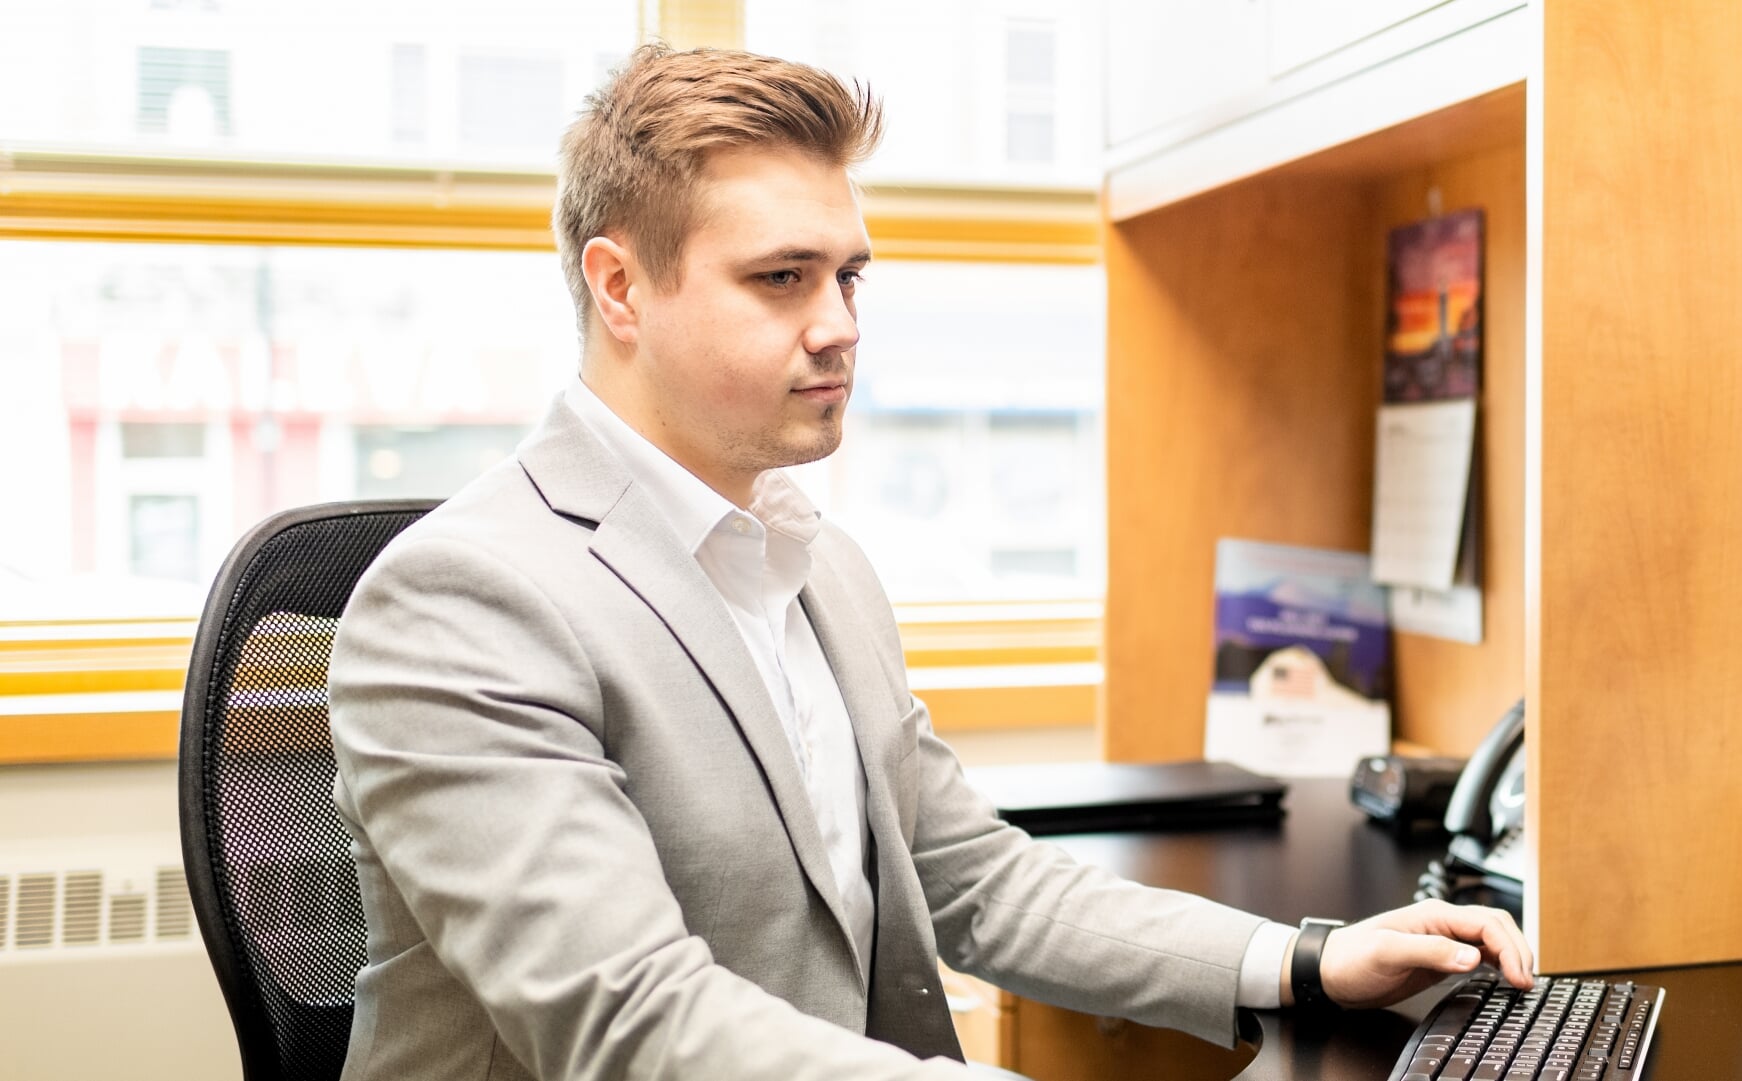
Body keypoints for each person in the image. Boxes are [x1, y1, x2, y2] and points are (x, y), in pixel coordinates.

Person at [327, 44, 1531, 1081]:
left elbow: (974, 877)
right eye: (782, 278)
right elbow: (628, 1019)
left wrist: (1305, 957)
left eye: (848, 275)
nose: (843, 323)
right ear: (621, 287)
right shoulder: (464, 600)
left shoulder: (813, 560)